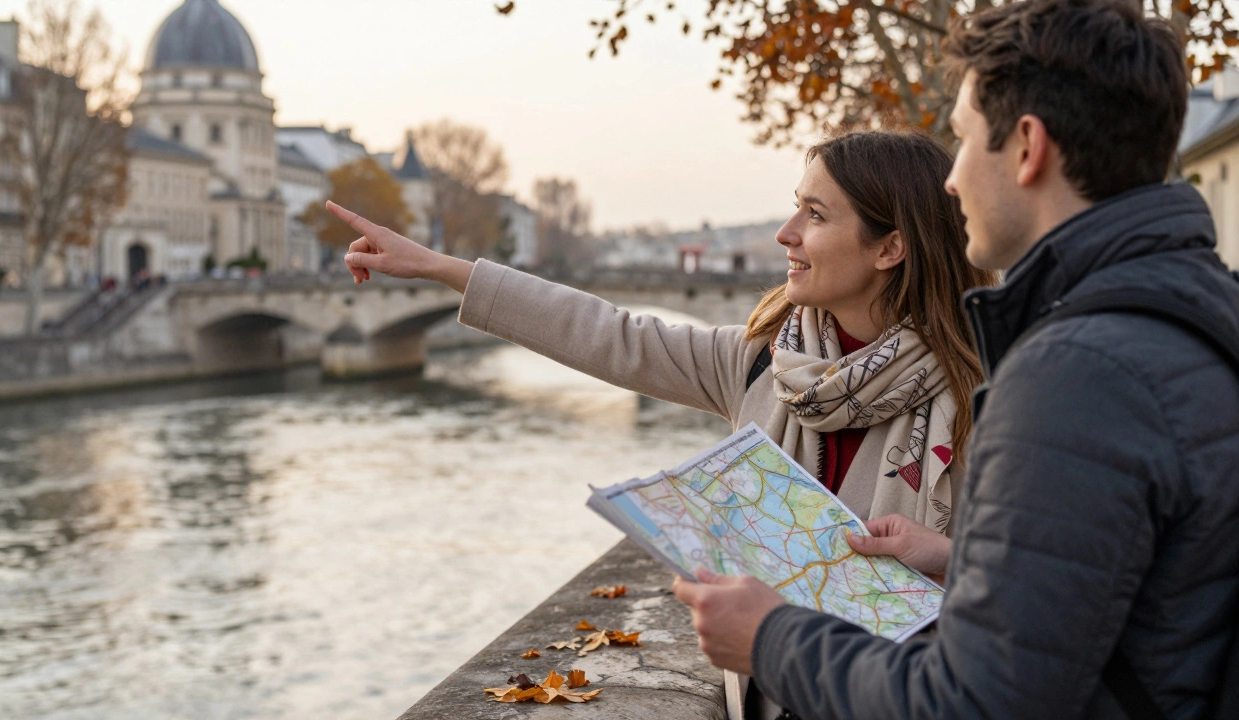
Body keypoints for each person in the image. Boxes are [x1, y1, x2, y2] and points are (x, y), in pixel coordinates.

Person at [672, 1, 1239, 718]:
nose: (950, 179)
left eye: (967, 140)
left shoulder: (1075, 374)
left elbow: (973, 703)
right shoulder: (1199, 313)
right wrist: (964, 558)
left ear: (1027, 147)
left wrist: (771, 638)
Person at [331, 130, 994, 715]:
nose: (785, 232)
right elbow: (609, 335)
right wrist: (440, 268)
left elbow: (1039, 593)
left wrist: (951, 558)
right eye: (794, 206)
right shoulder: (764, 361)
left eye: (814, 215)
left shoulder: (983, 397)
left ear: (890, 248)